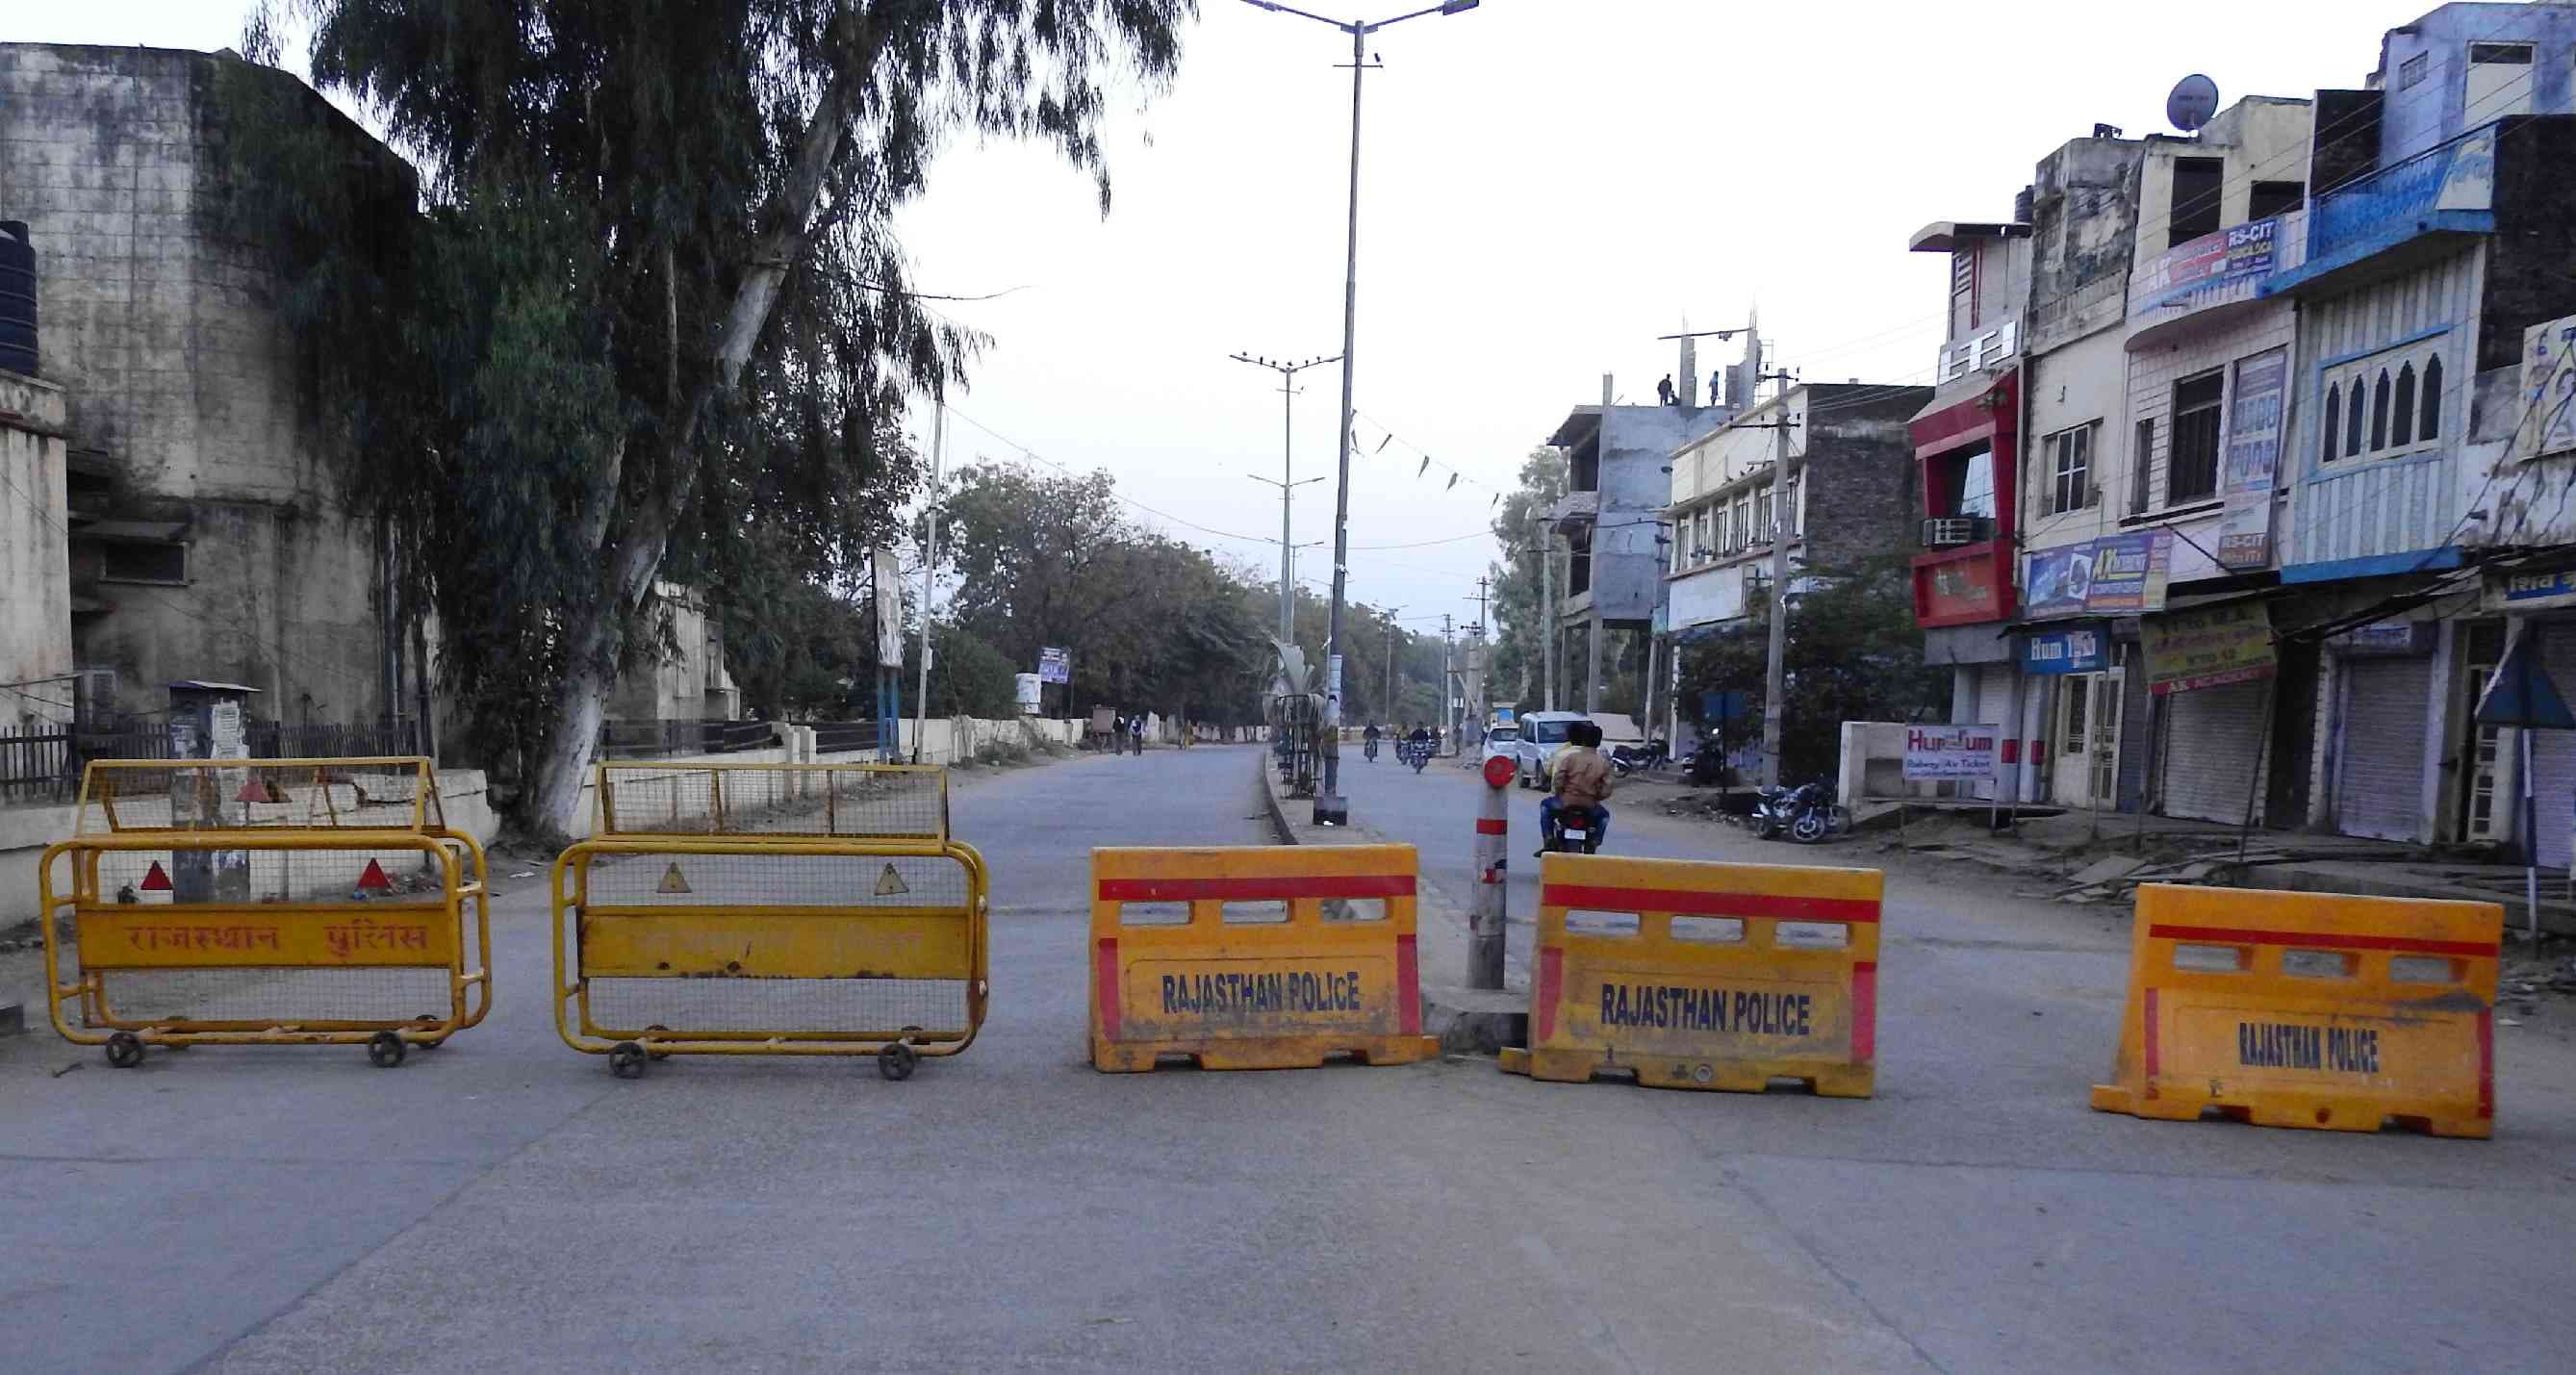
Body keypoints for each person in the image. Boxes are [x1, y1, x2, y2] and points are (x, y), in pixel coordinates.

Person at [1540, 720, 1616, 855]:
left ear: (1584, 741)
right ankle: (1595, 841)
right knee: (1604, 816)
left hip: (1566, 801)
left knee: (1545, 807)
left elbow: (1558, 779)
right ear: (1598, 743)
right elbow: (1608, 788)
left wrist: (1560, 793)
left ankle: (1549, 838)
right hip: (1590, 804)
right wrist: (1597, 797)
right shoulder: (1603, 762)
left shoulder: (1571, 758)